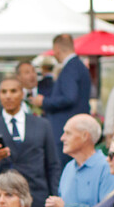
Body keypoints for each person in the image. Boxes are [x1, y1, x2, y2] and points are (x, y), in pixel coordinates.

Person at [0, 75, 60, 207]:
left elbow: (52, 165)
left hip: (39, 206)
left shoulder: (42, 125)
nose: (8, 96)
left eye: (13, 91)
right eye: (4, 92)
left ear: (22, 93)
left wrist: (54, 199)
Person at [45, 114, 114, 207]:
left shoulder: (107, 167)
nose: (62, 138)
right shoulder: (68, 167)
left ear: (85, 136)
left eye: (68, 133)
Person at [33, 34, 91, 166]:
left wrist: (44, 102)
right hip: (76, 128)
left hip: (66, 129)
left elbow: (69, 97)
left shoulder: (70, 68)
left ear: (57, 48)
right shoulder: (79, 66)